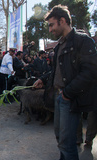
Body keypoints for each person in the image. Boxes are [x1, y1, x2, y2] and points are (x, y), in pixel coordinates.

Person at [33, 5, 97, 160]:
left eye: (51, 25)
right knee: (61, 140)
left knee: (67, 143)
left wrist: (67, 93)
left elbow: (90, 72)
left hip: (69, 99)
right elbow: (56, 72)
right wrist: (43, 79)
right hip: (58, 97)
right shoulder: (60, 44)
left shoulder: (83, 41)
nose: (50, 30)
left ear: (62, 21)